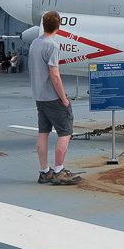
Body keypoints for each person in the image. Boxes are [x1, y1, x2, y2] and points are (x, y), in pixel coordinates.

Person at [29, 11, 80, 186]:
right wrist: (64, 99)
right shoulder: (52, 46)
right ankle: (59, 171)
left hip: (39, 97)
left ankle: (45, 172)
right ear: (59, 27)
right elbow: (55, 75)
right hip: (52, 97)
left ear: (43, 25)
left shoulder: (35, 43)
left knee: (43, 133)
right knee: (65, 133)